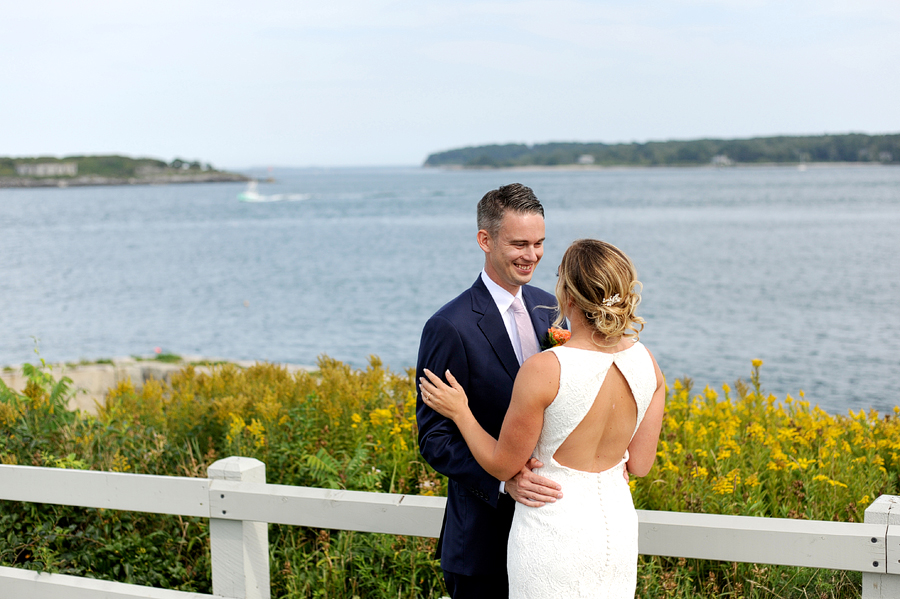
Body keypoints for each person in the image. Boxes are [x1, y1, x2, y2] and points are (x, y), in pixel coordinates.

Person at [420, 238, 666, 598]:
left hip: (553, 528)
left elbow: (504, 466)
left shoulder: (545, 369)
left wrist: (461, 413)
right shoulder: (649, 364)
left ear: (567, 295)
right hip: (615, 531)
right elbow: (640, 465)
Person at [416, 183, 564, 599]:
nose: (531, 255)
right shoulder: (450, 327)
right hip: (482, 544)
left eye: (538, 243)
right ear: (485, 240)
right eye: (519, 243)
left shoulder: (550, 308)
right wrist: (504, 481)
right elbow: (434, 439)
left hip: (549, 536)